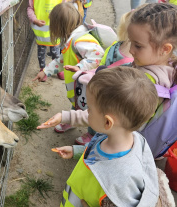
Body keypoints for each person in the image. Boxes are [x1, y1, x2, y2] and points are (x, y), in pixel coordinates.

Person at [37, 3, 177, 159]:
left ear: (165, 49)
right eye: (131, 43)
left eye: (138, 45)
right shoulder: (162, 66)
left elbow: (108, 119)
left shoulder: (142, 84)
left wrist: (68, 118)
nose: (131, 50)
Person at [40, 66, 160, 207]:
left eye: (89, 109)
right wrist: (77, 151)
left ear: (108, 122)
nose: (86, 112)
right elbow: (98, 155)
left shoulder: (121, 180)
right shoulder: (119, 137)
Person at [33, 2, 104, 134]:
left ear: (59, 27)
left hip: (88, 85)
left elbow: (98, 55)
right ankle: (71, 120)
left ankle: (92, 134)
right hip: (78, 85)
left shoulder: (80, 40)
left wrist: (80, 67)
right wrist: (45, 71)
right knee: (77, 104)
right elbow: (62, 59)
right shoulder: (70, 40)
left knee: (92, 110)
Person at [75, 10, 134, 145]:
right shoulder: (116, 45)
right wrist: (88, 73)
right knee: (94, 110)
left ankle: (99, 138)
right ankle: (91, 133)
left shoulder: (133, 59)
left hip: (113, 94)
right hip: (99, 86)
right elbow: (102, 64)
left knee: (105, 115)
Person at [27, 0, 62, 82]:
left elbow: (64, 7)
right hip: (41, 31)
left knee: (56, 52)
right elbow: (30, 8)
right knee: (41, 52)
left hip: (55, 30)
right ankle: (43, 69)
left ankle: (57, 68)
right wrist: (34, 20)